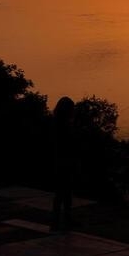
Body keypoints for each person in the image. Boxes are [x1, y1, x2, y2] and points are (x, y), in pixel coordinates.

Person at [50, 96, 77, 233]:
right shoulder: (63, 127)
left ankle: (63, 219)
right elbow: (66, 145)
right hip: (63, 162)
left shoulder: (58, 124)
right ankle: (59, 220)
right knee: (63, 193)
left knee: (64, 193)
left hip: (61, 161)